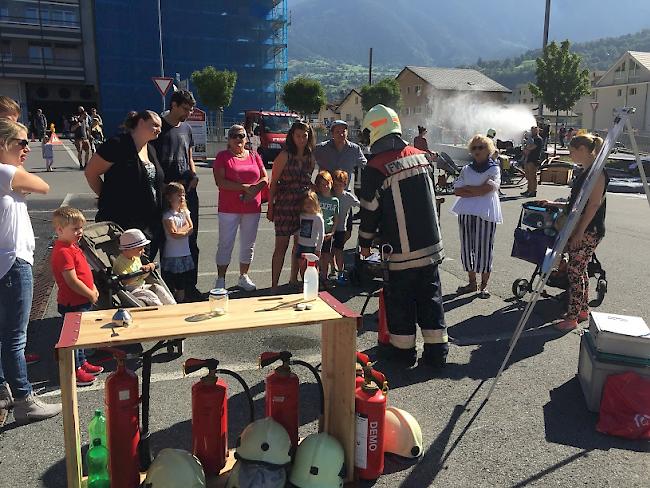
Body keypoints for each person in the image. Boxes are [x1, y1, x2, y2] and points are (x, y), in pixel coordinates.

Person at [358, 105, 447, 368]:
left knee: (401, 303)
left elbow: (370, 212)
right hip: (431, 247)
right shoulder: (421, 157)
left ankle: (404, 353)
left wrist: (364, 244)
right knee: (431, 299)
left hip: (400, 252)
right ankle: (437, 352)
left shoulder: (376, 167)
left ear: (374, 131)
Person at [0, 118, 62, 426]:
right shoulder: (5, 172)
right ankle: (24, 400)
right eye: (21, 143)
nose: (27, 148)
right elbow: (43, 185)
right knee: (15, 337)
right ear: (3, 145)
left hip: (8, 262)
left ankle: (5, 391)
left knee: (6, 335)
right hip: (13, 263)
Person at [85, 110, 165, 259]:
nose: (159, 129)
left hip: (149, 225)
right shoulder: (117, 144)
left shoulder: (151, 149)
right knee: (127, 270)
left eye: (160, 126)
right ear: (141, 122)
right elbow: (91, 172)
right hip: (122, 223)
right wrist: (106, 197)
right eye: (154, 125)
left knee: (144, 270)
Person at [550, 133, 608, 331]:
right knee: (580, 270)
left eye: (572, 151)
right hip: (582, 228)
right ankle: (582, 310)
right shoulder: (588, 171)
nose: (570, 155)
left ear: (583, 150)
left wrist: (579, 232)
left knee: (575, 272)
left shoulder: (597, 173)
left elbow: (593, 205)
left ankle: (572, 316)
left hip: (588, 230)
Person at [151, 90, 201, 300]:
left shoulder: (187, 128)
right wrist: (163, 187)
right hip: (165, 194)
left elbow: (189, 156)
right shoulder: (158, 128)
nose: (188, 113)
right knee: (166, 240)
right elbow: (151, 161)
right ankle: (169, 288)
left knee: (191, 240)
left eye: (190, 109)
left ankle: (189, 286)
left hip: (188, 192)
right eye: (185, 108)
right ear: (173, 105)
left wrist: (195, 174)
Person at [50, 206, 104, 387]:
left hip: (80, 300)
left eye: (81, 228)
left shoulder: (72, 246)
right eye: (75, 229)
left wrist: (92, 286)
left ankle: (82, 363)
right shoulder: (63, 251)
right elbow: (72, 281)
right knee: (73, 340)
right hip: (73, 302)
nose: (79, 232)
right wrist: (90, 293)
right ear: (59, 230)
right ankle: (74, 371)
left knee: (80, 337)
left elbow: (84, 272)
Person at [213, 125, 268, 291]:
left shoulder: (254, 156)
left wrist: (253, 192)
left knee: (248, 244)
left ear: (246, 138)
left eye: (241, 136)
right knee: (225, 243)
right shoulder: (222, 156)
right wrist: (244, 187)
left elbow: (264, 178)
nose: (238, 139)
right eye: (234, 136)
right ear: (228, 139)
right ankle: (221, 279)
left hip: (252, 208)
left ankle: (243, 276)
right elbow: (220, 182)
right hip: (228, 208)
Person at [451, 135, 503, 298]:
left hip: (486, 213)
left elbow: (487, 189)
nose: (477, 151)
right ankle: (472, 283)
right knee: (467, 248)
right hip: (466, 213)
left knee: (485, 249)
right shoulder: (466, 169)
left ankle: (484, 286)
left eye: (481, 147)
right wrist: (478, 189)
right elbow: (457, 191)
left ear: (488, 149)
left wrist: (469, 189)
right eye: (474, 148)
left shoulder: (494, 168)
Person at [267, 121, 316, 289]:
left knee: (299, 246)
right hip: (284, 205)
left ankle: (293, 279)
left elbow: (309, 182)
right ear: (292, 136)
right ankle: (274, 285)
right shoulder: (284, 155)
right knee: (281, 246)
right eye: (298, 136)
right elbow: (273, 184)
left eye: (304, 136)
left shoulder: (310, 156)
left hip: (303, 206)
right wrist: (270, 208)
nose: (301, 139)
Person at [113, 229, 175, 306]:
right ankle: (161, 310)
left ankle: (173, 306)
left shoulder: (135, 257)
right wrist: (139, 273)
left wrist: (147, 269)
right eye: (140, 249)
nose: (143, 251)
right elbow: (124, 282)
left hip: (141, 286)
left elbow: (142, 276)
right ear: (128, 249)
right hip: (131, 290)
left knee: (158, 288)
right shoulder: (120, 262)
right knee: (150, 296)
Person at [161, 182, 194, 303]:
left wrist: (183, 231)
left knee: (183, 283)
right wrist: (184, 230)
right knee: (174, 282)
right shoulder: (168, 215)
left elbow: (191, 227)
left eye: (183, 195)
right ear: (169, 198)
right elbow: (174, 233)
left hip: (185, 253)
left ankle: (181, 300)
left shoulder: (185, 212)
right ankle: (176, 301)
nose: (182, 198)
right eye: (178, 195)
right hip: (173, 255)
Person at [313, 119, 366, 191]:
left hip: (344, 192)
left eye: (343, 131)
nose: (341, 134)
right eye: (337, 132)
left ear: (347, 132)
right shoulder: (321, 148)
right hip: (325, 193)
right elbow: (307, 162)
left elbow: (365, 165)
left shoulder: (354, 149)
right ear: (332, 134)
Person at [331, 170, 359, 282]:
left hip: (341, 229)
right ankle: (332, 269)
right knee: (328, 252)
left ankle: (340, 273)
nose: (337, 187)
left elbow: (359, 204)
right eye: (335, 184)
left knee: (339, 251)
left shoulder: (348, 197)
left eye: (340, 184)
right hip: (328, 228)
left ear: (345, 184)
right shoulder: (329, 195)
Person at [314, 171, 339, 284]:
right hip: (317, 233)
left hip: (328, 233)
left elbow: (336, 218)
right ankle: (316, 276)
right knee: (316, 255)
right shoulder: (316, 198)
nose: (325, 187)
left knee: (326, 255)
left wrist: (332, 232)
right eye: (321, 184)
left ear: (331, 183)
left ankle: (324, 277)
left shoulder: (335, 201)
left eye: (327, 184)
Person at [296, 191, 324, 279]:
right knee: (302, 266)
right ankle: (304, 283)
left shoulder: (318, 217)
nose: (308, 205)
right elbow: (298, 230)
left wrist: (318, 249)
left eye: (310, 203)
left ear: (315, 203)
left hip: (312, 246)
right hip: (301, 245)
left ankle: (313, 283)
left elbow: (321, 234)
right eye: (306, 203)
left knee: (312, 267)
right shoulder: (302, 215)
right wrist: (296, 243)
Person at [522, 126, 543, 197]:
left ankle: (533, 191)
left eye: (534, 130)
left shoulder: (538, 139)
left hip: (534, 159)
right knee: (528, 176)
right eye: (532, 130)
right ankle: (529, 189)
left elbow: (532, 147)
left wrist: (526, 148)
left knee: (532, 176)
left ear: (537, 131)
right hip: (528, 158)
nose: (532, 132)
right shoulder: (531, 139)